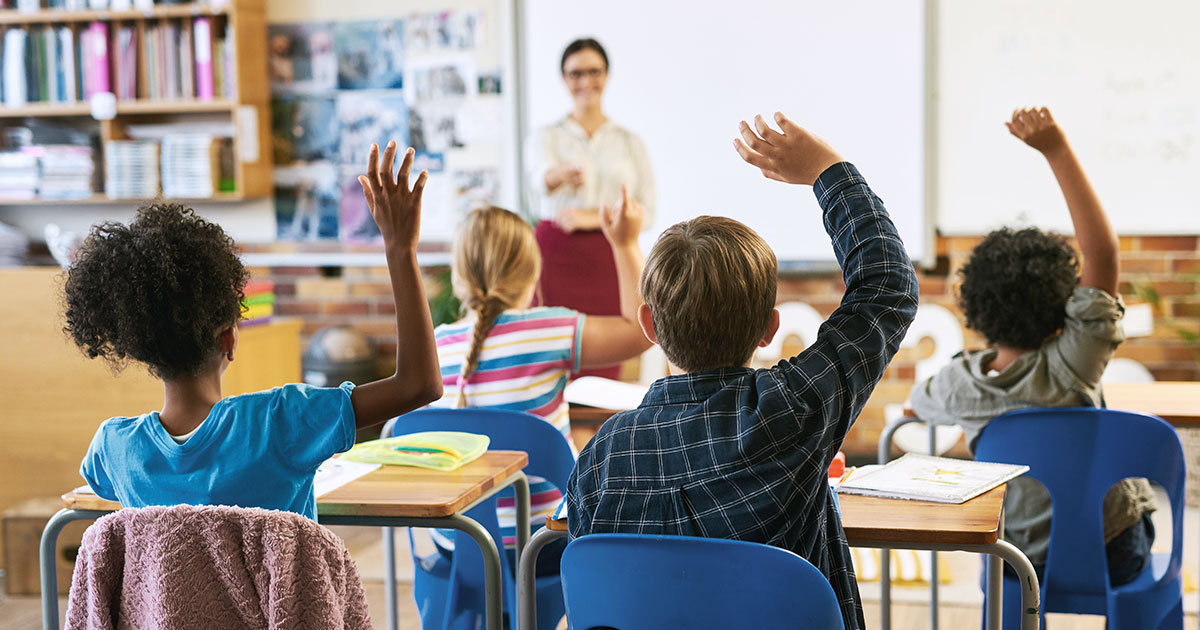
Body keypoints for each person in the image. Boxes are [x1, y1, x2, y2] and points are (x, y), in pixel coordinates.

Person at [566, 112, 919, 629]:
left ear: (649, 325)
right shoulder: (790, 413)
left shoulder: (601, 456)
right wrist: (828, 168)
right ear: (769, 327)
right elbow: (886, 285)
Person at [69, 142, 443, 521]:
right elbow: (420, 385)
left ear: (142, 349)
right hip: (282, 585)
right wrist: (400, 249)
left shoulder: (114, 448)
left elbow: (103, 484)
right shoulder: (281, 423)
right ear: (228, 339)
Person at [909, 107, 1156, 585]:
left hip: (1016, 567)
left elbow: (918, 408)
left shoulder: (960, 385)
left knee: (993, 551)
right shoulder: (1075, 363)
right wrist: (1056, 149)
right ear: (1066, 303)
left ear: (975, 308)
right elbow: (1103, 254)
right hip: (1111, 557)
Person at [427, 187, 652, 567]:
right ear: (532, 273)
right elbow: (644, 328)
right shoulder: (549, 330)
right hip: (540, 545)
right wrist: (625, 243)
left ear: (460, 275)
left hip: (457, 547)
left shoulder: (434, 346)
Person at [525, 37, 655, 379]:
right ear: (564, 79)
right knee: (551, 355)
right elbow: (540, 179)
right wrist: (559, 175)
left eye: (594, 71)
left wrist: (590, 217)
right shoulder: (546, 136)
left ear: (607, 75)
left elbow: (647, 210)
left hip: (611, 256)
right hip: (556, 256)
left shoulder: (630, 142)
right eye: (575, 73)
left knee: (610, 357)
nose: (585, 81)